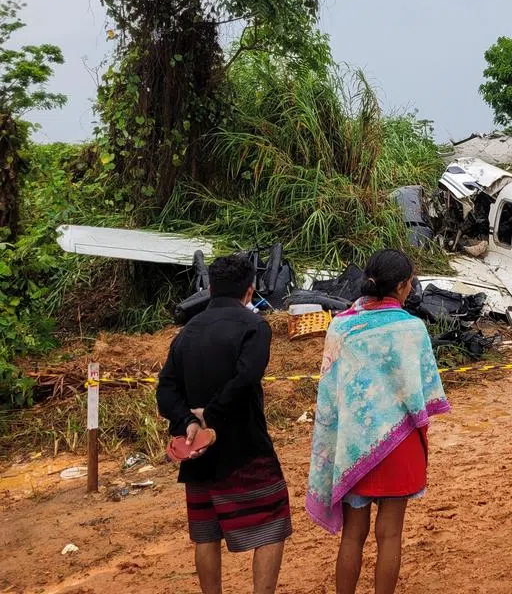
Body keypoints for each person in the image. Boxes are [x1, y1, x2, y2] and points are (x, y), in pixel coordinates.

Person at [306, 249, 450, 594]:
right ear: (401, 286)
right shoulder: (412, 329)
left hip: (354, 445)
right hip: (400, 445)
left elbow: (331, 393)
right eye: (410, 281)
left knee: (353, 535)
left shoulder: (340, 327)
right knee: (390, 535)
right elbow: (425, 391)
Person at [156, 254, 290, 594]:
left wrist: (188, 420)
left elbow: (166, 391)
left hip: (197, 452)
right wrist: (212, 420)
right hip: (246, 447)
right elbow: (246, 377)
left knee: (206, 533)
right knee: (272, 523)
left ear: (211, 288)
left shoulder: (186, 333)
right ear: (250, 291)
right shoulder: (255, 327)